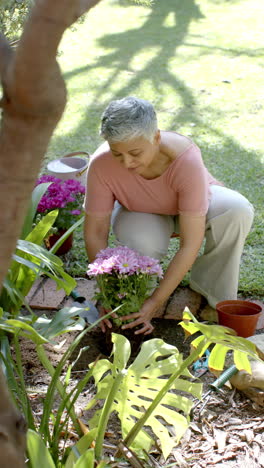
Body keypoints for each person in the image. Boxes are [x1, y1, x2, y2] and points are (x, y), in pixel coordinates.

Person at [84, 96, 254, 335]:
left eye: (135, 152)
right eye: (117, 154)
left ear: (156, 137)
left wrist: (157, 303)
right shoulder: (101, 164)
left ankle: (211, 291)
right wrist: (107, 291)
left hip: (191, 210)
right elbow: (96, 231)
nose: (127, 162)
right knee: (142, 237)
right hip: (140, 212)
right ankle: (135, 295)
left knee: (236, 211)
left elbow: (190, 243)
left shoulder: (185, 159)